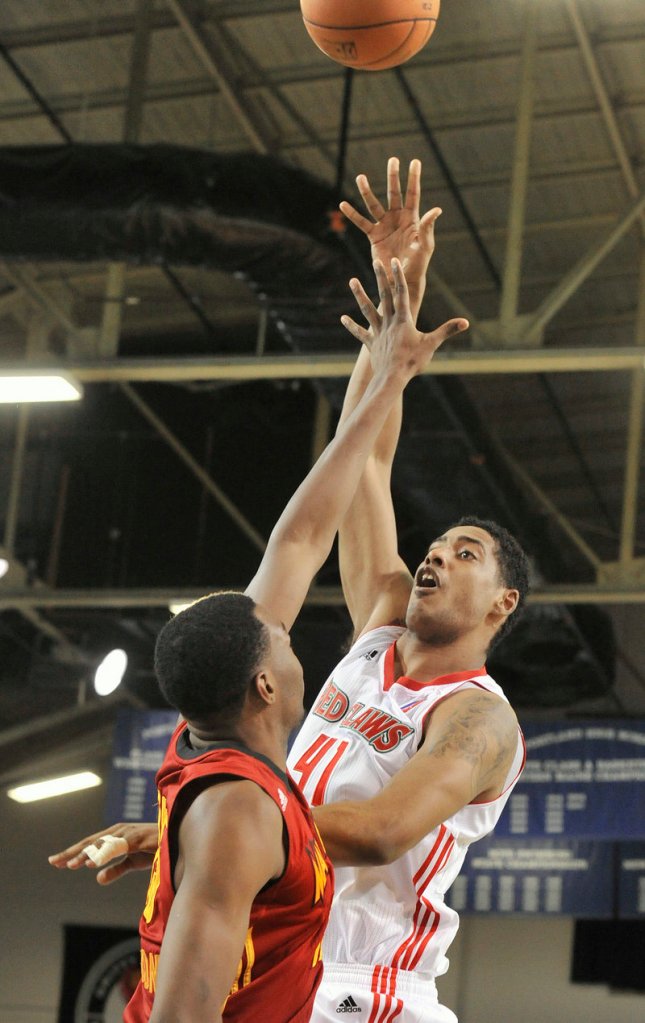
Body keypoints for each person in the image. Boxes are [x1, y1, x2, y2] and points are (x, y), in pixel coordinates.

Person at [52, 160, 528, 1023]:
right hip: (279, 936)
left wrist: (206, 829)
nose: (435, 557)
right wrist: (393, 323)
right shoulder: (378, 628)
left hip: (368, 985)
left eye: (464, 553)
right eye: (433, 546)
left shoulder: (478, 717)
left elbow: (383, 831)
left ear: (503, 604)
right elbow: (367, 463)